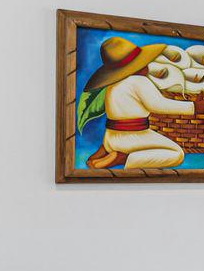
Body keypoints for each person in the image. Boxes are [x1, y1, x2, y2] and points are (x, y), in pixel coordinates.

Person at [80, 36, 194, 171]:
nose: (147, 66)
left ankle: (106, 148)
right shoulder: (139, 81)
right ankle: (124, 157)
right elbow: (158, 105)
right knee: (177, 154)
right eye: (143, 62)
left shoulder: (112, 84)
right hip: (133, 136)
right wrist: (194, 106)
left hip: (111, 135)